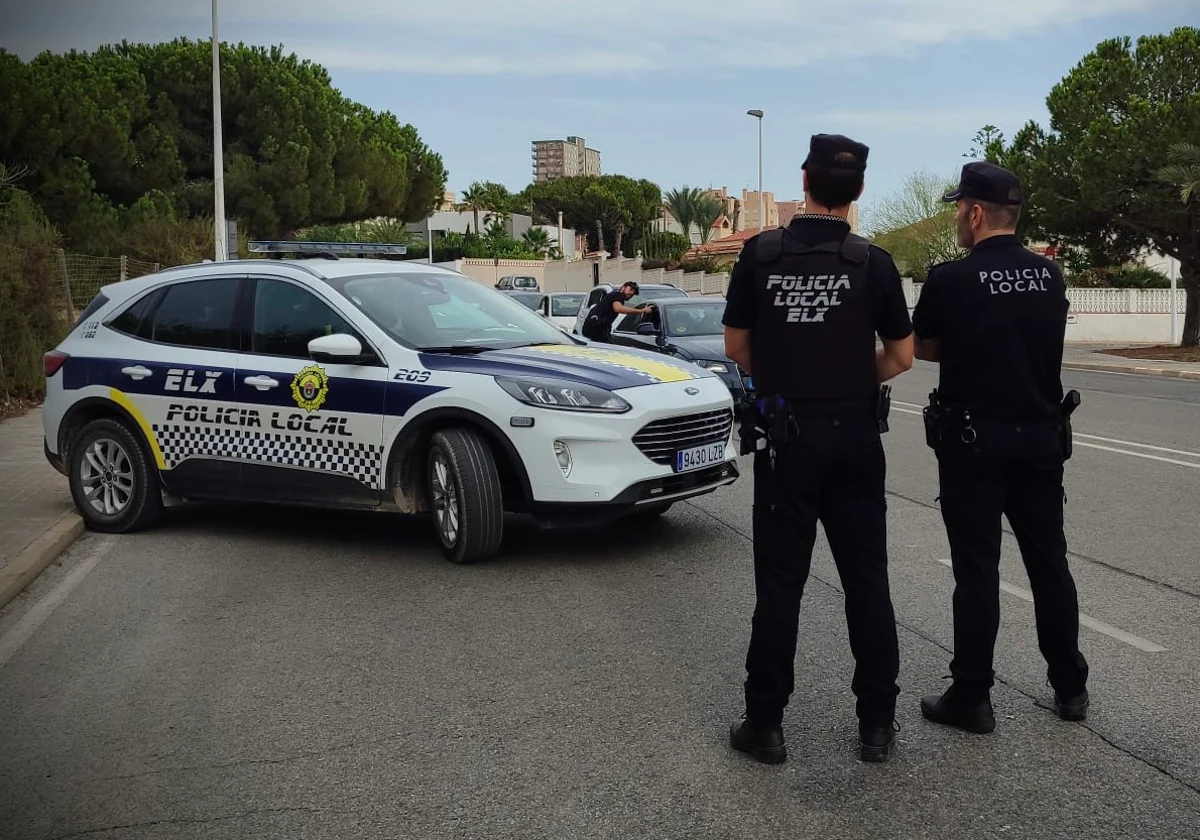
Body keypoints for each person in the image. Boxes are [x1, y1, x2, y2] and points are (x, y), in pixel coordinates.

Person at [721, 134, 915, 764]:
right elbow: (904, 356)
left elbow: (735, 347)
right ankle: (876, 726)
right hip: (856, 438)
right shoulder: (873, 262)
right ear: (857, 191)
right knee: (867, 581)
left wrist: (789, 378)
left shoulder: (759, 254)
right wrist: (853, 380)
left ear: (803, 181)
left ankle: (767, 725)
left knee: (780, 584)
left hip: (788, 438)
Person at [912, 161, 1089, 735]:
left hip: (973, 445)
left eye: (959, 208)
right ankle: (1070, 686)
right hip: (1040, 442)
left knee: (977, 570)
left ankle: (972, 696)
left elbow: (927, 349)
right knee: (1049, 565)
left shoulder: (950, 280)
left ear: (977, 213)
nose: (958, 217)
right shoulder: (1050, 276)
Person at [580, 281, 654, 343]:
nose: (631, 293)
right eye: (630, 289)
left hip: (592, 330)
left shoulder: (613, 295)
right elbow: (618, 308)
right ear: (623, 287)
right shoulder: (618, 295)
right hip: (598, 331)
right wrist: (641, 311)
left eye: (633, 293)